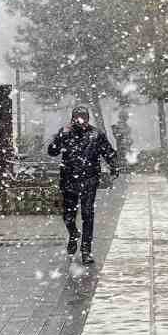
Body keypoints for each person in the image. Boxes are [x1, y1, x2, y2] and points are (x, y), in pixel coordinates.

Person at [48, 105, 118, 263]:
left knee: (88, 214)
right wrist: (60, 136)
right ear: (73, 118)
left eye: (84, 117)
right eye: (78, 117)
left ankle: (86, 249)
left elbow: (108, 151)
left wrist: (114, 165)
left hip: (89, 179)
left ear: (88, 118)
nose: (81, 120)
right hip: (69, 179)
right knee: (68, 215)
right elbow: (52, 151)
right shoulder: (65, 133)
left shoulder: (96, 134)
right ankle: (73, 234)